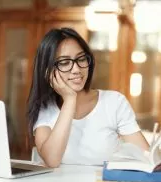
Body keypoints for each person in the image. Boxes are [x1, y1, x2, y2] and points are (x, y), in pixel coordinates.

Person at [27, 27, 149, 168]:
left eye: (81, 59)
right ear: (48, 71)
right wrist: (70, 100)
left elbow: (146, 158)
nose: (77, 69)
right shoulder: (46, 108)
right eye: (64, 62)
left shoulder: (114, 102)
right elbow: (52, 160)